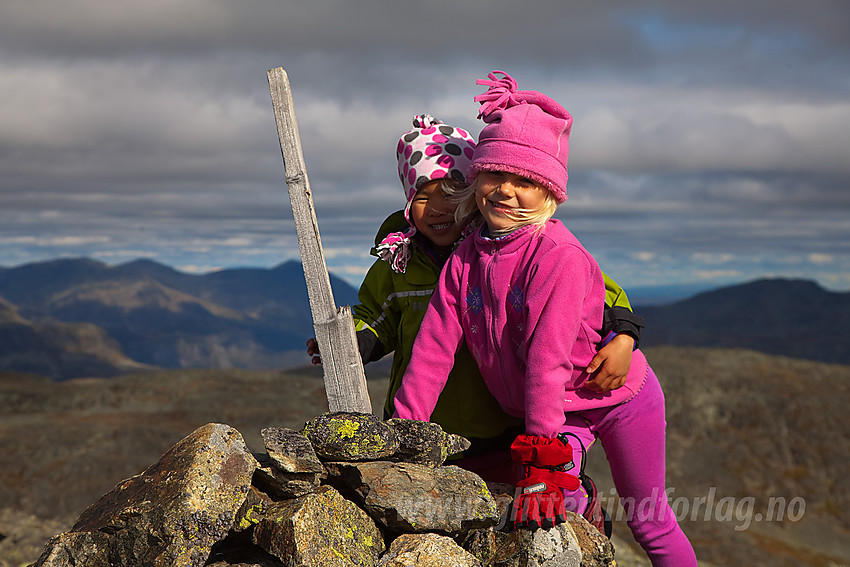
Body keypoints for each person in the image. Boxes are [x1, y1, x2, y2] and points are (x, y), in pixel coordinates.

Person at [393, 73, 697, 566]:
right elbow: (432, 349)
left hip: (620, 398)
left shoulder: (557, 255)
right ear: (477, 178)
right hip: (564, 412)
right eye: (495, 175)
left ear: (550, 192)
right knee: (559, 507)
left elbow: (547, 359)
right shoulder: (465, 258)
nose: (507, 191)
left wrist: (538, 453)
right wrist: (402, 434)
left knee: (649, 518)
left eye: (527, 182)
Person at [308, 114, 641, 513]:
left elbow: (593, 290)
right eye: (422, 196)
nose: (438, 208)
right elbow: (375, 316)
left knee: (508, 518)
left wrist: (624, 334)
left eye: (452, 192)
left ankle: (582, 511)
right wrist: (352, 342)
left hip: (501, 425)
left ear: (474, 192)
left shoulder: (509, 249)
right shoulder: (396, 264)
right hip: (429, 428)